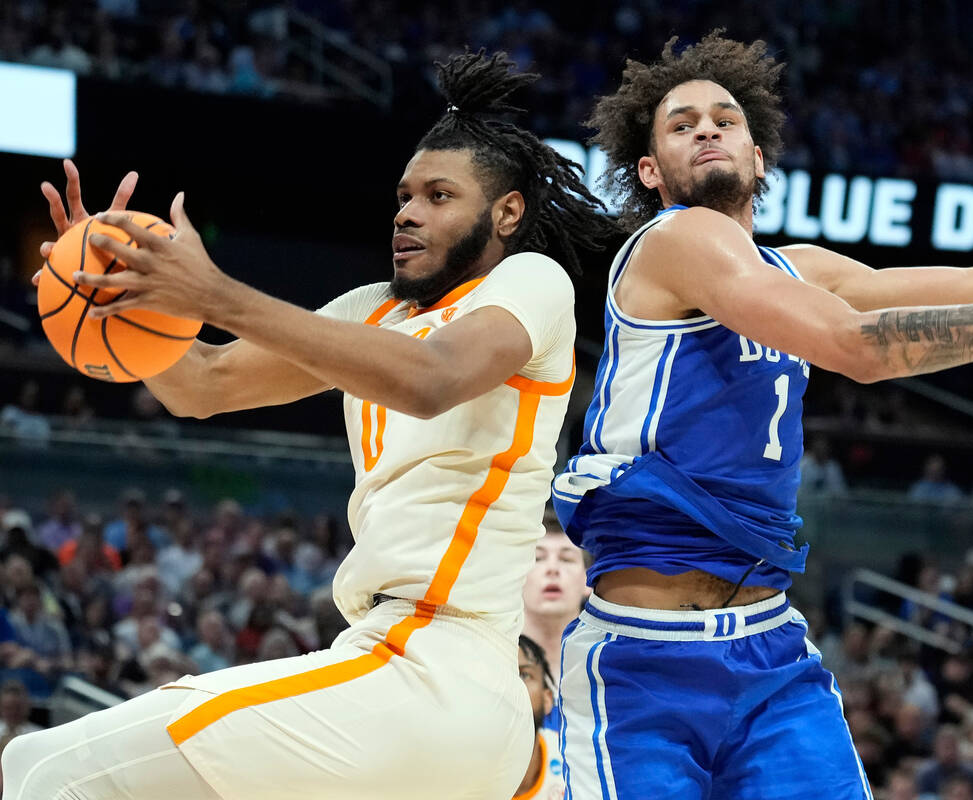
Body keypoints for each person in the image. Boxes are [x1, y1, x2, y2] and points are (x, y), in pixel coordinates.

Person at [551, 31, 973, 798]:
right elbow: (857, 348)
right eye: (681, 125)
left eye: (725, 118)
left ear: (758, 159)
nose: (707, 128)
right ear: (651, 172)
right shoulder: (675, 239)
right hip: (644, 659)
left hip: (768, 649)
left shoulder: (803, 270)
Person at [4, 51, 611, 800]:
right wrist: (122, 315)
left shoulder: (531, 282)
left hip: (444, 668)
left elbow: (431, 380)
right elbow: (204, 384)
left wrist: (217, 294)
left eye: (438, 196)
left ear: (506, 213)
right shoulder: (371, 310)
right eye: (403, 195)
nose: (407, 212)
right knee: (25, 765)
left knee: (60, 776)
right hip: (385, 664)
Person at [521, 518, 590, 684]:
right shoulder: (489, 660)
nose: (552, 568)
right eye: (537, 558)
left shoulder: (606, 663)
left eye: (566, 559)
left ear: (589, 579)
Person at [514, 635, 565, 800]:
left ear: (548, 698)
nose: (512, 685)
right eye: (501, 674)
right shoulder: (456, 766)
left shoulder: (573, 759)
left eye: (524, 675)